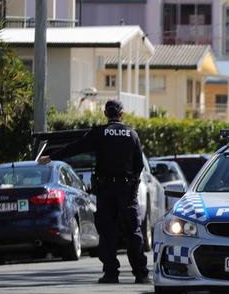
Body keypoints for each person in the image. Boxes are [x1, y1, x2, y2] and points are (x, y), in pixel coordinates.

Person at [38, 100, 149, 284]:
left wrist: (51, 157)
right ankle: (141, 274)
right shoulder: (132, 134)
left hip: (105, 190)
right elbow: (139, 166)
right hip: (126, 190)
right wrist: (133, 190)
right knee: (133, 231)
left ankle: (111, 274)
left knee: (107, 231)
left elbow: (75, 147)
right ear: (122, 114)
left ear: (105, 113)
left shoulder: (99, 133)